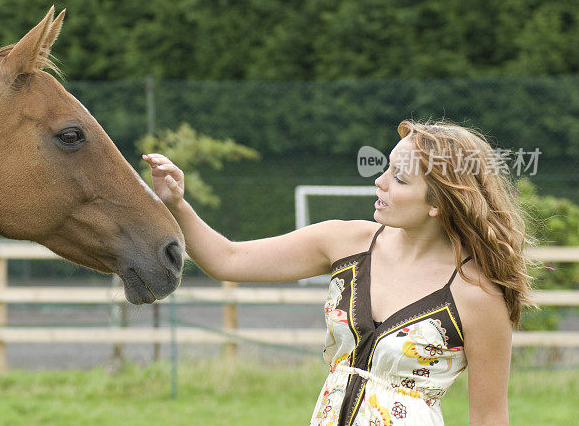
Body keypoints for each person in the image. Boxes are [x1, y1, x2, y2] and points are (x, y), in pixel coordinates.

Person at [143, 119, 533, 426]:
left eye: (399, 178)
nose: (379, 182)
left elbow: (488, 417)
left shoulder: (478, 294)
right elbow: (227, 260)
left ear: (438, 202)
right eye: (385, 169)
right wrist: (177, 204)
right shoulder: (343, 242)